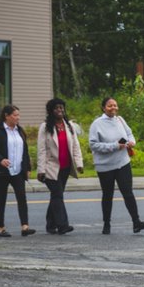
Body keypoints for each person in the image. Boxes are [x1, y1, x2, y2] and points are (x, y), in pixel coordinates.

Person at [89, 97, 144, 235]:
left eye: (115, 105)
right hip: (105, 166)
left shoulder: (120, 120)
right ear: (103, 108)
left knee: (128, 193)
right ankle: (106, 224)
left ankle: (136, 222)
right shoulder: (97, 124)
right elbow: (93, 144)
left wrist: (131, 142)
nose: (113, 108)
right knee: (107, 195)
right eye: (110, 106)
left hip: (123, 163)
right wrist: (115, 146)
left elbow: (129, 133)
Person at [36, 98, 84, 236]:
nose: (60, 110)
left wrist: (79, 163)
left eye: (62, 108)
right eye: (57, 108)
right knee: (58, 195)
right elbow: (41, 150)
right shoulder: (45, 127)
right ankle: (63, 225)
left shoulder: (69, 126)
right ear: (51, 111)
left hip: (65, 167)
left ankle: (50, 225)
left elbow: (75, 145)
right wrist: (41, 170)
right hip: (51, 167)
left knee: (56, 196)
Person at [0, 105, 35, 237]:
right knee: (1, 198)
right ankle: (0, 228)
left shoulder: (20, 130)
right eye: (15, 115)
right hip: (1, 171)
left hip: (18, 171)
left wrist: (27, 168)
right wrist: (0, 159)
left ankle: (25, 227)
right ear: (6, 116)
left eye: (18, 115)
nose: (17, 118)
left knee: (22, 197)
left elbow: (25, 151)